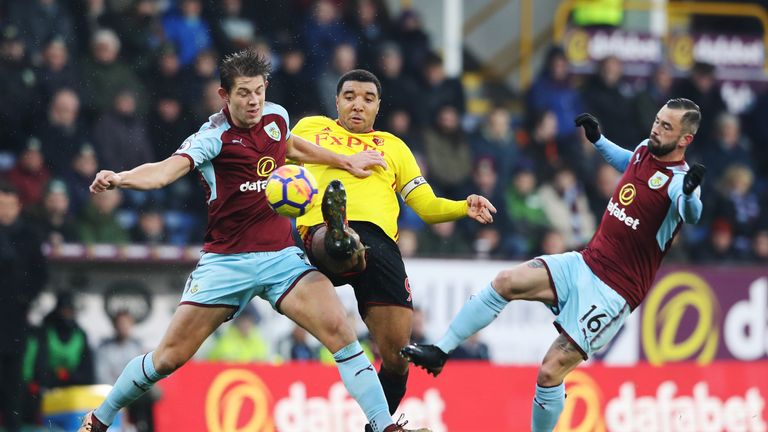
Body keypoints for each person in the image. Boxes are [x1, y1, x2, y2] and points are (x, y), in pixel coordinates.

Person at [79, 49, 428, 432]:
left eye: (259, 91)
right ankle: (99, 418)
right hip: (227, 262)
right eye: (244, 93)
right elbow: (164, 172)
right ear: (224, 95)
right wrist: (121, 178)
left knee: (342, 335)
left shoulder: (276, 117)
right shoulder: (212, 138)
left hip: (281, 257)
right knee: (168, 358)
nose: (254, 101)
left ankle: (384, 426)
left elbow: (291, 146)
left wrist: (346, 161)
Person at [401, 98, 706, 432]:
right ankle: (440, 351)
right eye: (658, 120)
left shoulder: (680, 181)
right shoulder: (646, 151)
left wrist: (690, 194)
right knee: (506, 281)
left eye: (666, 126)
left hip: (613, 292)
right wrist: (598, 140)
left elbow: (691, 212)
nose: (656, 128)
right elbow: (627, 160)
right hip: (585, 262)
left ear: (684, 140)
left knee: (550, 371)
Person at [292, 69, 496, 431]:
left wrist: (463, 205)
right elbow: (277, 155)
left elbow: (426, 204)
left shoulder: (393, 147)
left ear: (378, 106)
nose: (358, 104)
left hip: (382, 244)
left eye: (368, 98)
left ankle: (378, 425)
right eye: (350, 96)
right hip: (320, 227)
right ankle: (341, 235)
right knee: (340, 244)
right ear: (337, 101)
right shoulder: (312, 128)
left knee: (398, 357)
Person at [0, 182, 48, 431]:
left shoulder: (29, 236)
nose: (5, 210)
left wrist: (24, 298)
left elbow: (41, 274)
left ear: (17, 206)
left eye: (8, 205)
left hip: (16, 320)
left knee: (13, 379)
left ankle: (13, 425)